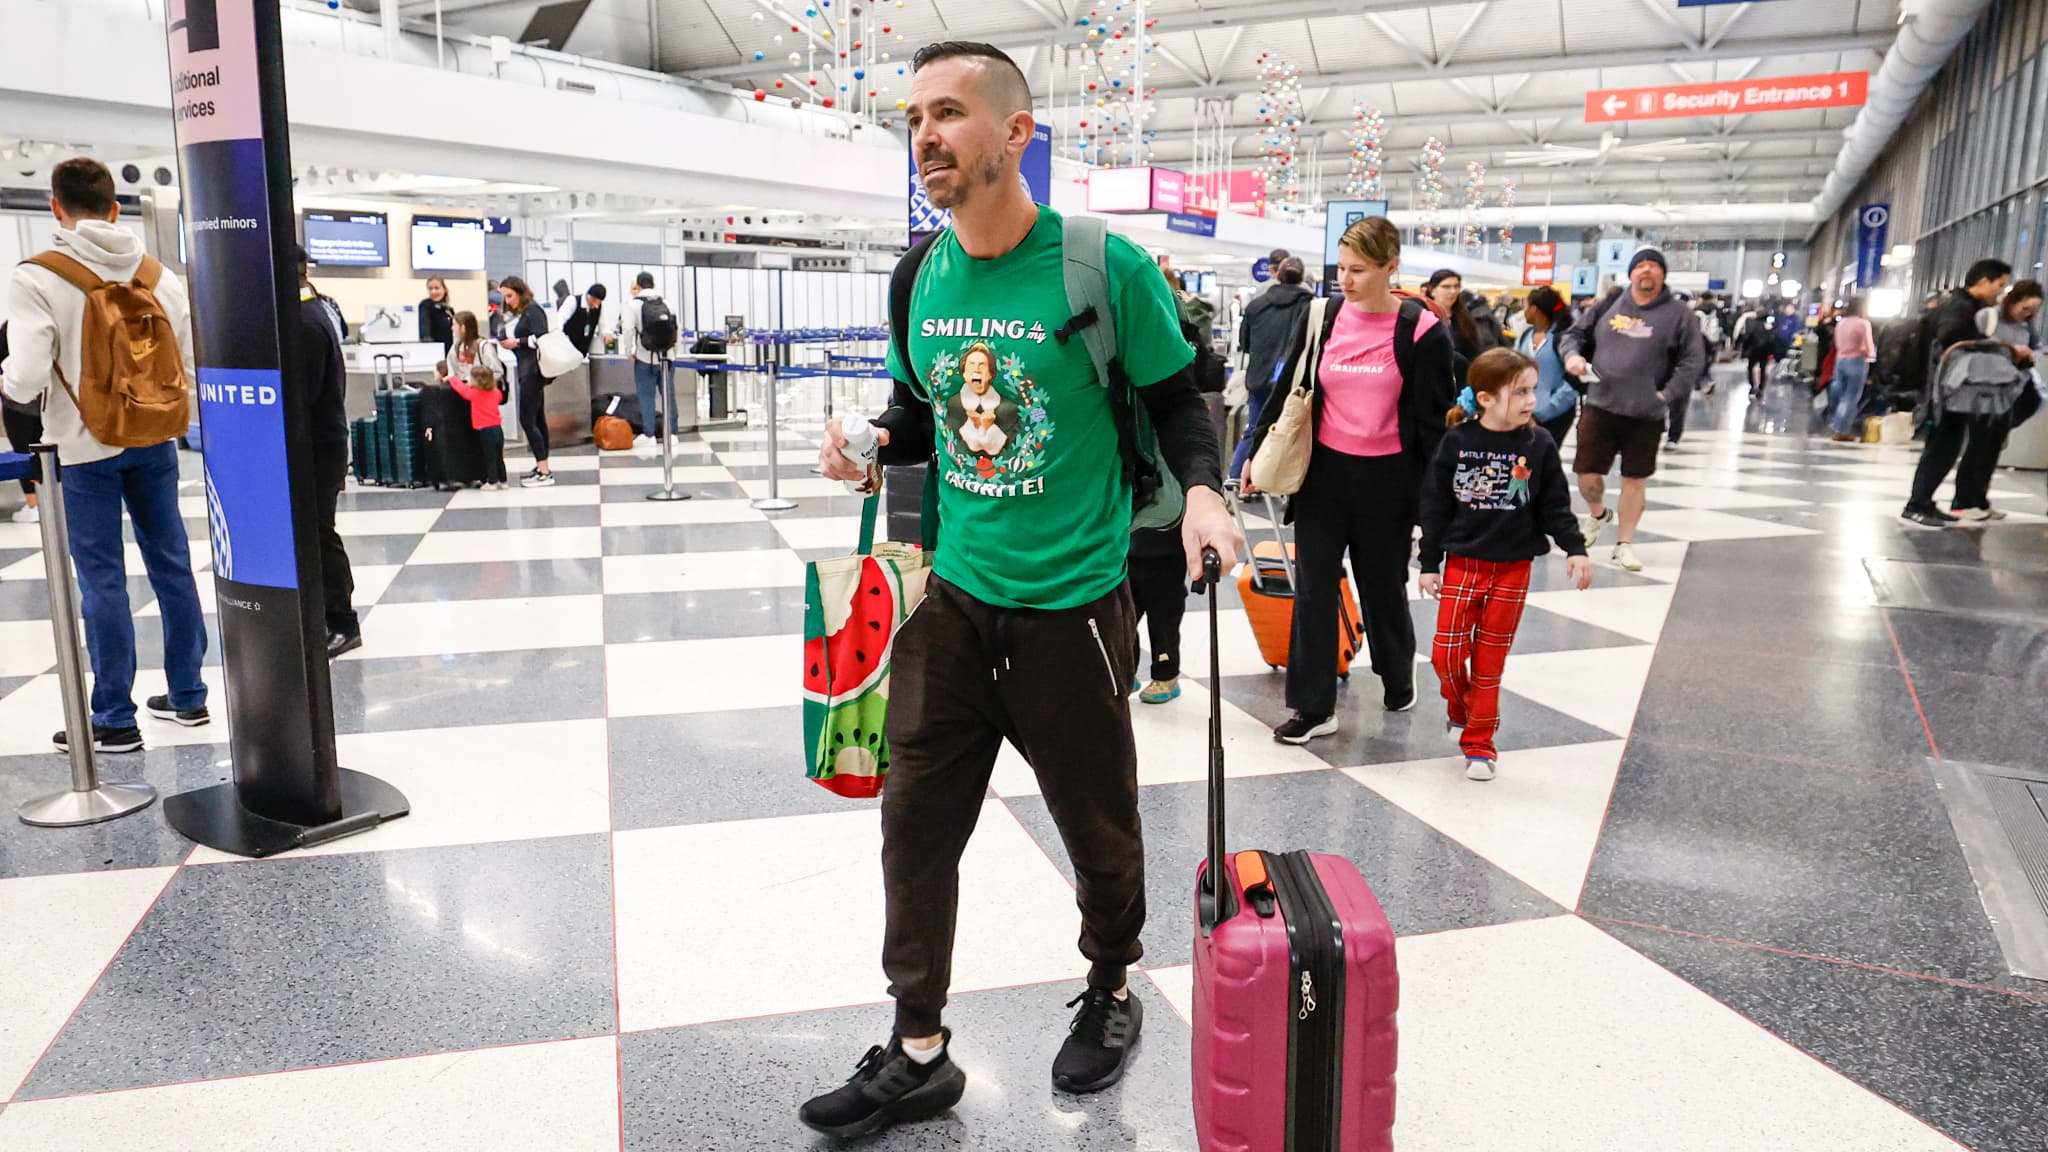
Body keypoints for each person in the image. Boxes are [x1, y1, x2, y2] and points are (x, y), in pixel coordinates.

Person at [802, 41, 1237, 1139]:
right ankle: (917, 1047)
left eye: (947, 113)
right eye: (913, 120)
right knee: (913, 830)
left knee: (1097, 828)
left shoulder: (1100, 266)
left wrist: (1200, 493)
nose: (925, 137)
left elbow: (1178, 401)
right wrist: (868, 437)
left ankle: (1111, 985)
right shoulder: (919, 274)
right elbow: (920, 409)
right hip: (953, 604)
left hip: (1074, 609)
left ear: (1014, 133)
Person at [1, 158, 207, 751]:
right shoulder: (158, 275)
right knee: (171, 562)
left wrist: (10, 383)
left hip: (85, 446)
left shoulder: (37, 276)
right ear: (116, 207)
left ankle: (115, 718)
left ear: (55, 206)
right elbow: (189, 365)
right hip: (155, 440)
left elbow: (27, 376)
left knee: (102, 580)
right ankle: (189, 695)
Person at [1244, 215, 1457, 743]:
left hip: (1389, 479)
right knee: (1314, 587)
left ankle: (1395, 670)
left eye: (1359, 269)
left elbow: (1433, 426)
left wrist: (1435, 505)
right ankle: (1313, 708)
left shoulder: (1422, 330)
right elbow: (1288, 384)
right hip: (1325, 475)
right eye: (1341, 268)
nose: (1347, 279)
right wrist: (1253, 449)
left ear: (1391, 268)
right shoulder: (1322, 315)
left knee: (1383, 586)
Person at [1419, 348, 1592, 782]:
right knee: (1446, 655)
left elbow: (1554, 503)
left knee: (1490, 662)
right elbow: (1435, 506)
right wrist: (1428, 561)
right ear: (1487, 398)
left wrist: (1575, 548)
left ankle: (1480, 744)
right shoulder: (1457, 441)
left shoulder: (1539, 443)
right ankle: (1460, 707)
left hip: (1512, 568)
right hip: (1462, 563)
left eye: (1533, 390)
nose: (1532, 400)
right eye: (1520, 392)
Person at [1560, 247, 1703, 573]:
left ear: (1663, 274)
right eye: (1640, 266)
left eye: (1654, 266)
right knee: (1587, 476)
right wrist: (1572, 356)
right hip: (1600, 405)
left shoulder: (1680, 314)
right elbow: (1574, 334)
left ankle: (1624, 544)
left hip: (1646, 414)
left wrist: (1665, 395)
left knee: (1634, 479)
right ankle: (1597, 514)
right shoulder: (1610, 303)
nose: (1647, 271)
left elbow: (1692, 361)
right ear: (1631, 273)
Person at [1901, 259, 2022, 528]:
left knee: (1948, 446)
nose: (2000, 292)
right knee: (1940, 447)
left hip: (1950, 389)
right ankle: (1916, 505)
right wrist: (1987, 342)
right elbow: (1950, 337)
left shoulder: (1965, 306)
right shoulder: (1959, 307)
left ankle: (1925, 502)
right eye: (1999, 285)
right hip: (1943, 390)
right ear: (1983, 281)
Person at [295, 247, 360, 659]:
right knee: (314, 533)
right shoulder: (314, 310)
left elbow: (303, 394)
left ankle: (342, 621)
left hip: (318, 446)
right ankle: (323, 613)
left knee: (320, 533)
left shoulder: (304, 323)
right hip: (323, 441)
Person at [1949, 278, 2043, 520]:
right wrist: (2008, 347)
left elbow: (2035, 347)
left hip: (2010, 390)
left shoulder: (2026, 326)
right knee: (1978, 444)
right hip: (1984, 389)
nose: (2028, 314)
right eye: (2025, 309)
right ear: (2013, 302)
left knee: (1993, 446)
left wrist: (2027, 354)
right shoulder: (1989, 317)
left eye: (2033, 311)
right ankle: (1964, 500)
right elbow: (1972, 346)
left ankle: (1980, 499)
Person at [1232, 255, 1313, 480]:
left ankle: (1237, 480)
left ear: (1277, 275)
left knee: (1254, 429)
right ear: (1301, 279)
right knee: (1290, 432)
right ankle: (1277, 482)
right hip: (1291, 381)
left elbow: (1244, 343)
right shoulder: (1309, 306)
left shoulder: (1257, 305)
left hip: (1258, 378)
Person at [496, 276, 555, 487]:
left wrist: (517, 342)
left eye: (510, 296)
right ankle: (542, 465)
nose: (508, 301)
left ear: (520, 292)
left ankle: (544, 470)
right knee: (537, 418)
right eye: (504, 297)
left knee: (527, 419)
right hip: (528, 370)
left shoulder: (533, 310)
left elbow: (542, 337)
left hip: (533, 371)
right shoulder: (524, 312)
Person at [1127, 525, 1187, 703]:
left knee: (1163, 624)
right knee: (1123, 621)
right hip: (1127, 554)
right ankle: (1126, 673)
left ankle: (1166, 676)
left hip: (1167, 558)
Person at [1518, 286, 1578, 447]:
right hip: (1523, 413)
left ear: (1534, 309)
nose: (1523, 312)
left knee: (1544, 459)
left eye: (1525, 306)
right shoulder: (1525, 336)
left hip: (1556, 414)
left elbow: (1573, 381)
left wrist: (1546, 410)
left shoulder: (1562, 338)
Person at [1, 322, 44, 524]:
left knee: (24, 453)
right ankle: (43, 502)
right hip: (49, 404)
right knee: (45, 455)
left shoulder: (10, 328)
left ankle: (34, 504)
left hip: (18, 404)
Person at [620, 271, 669, 443]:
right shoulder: (667, 302)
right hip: (667, 357)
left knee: (647, 397)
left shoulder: (632, 305)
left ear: (638, 286)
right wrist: (672, 353)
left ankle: (649, 435)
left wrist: (629, 351)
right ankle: (673, 434)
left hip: (644, 357)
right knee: (668, 395)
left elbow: (627, 330)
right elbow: (675, 328)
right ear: (653, 284)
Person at [449, 364, 509, 491]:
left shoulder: (474, 394)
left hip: (485, 429)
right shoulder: (495, 392)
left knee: (489, 456)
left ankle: (492, 481)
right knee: (499, 456)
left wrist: (452, 378)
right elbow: (498, 398)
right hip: (497, 428)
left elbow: (462, 390)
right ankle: (503, 481)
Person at [1828, 297, 1876, 442]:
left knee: (1841, 394)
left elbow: (1837, 343)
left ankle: (1837, 425)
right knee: (1851, 397)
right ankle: (1841, 430)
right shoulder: (1863, 323)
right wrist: (1870, 355)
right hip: (1856, 362)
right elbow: (1869, 345)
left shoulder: (1841, 323)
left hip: (1840, 360)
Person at [1425, 269, 1490, 371]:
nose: (1453, 291)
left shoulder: (1465, 319)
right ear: (1432, 290)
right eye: (1446, 287)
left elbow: (1474, 351)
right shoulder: (1423, 317)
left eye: (1456, 286)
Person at [1737, 301, 1778, 396]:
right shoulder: (1769, 326)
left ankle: (1752, 386)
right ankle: (1761, 387)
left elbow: (1747, 337)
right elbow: (1773, 338)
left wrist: (1744, 349)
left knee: (1750, 368)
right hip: (1765, 351)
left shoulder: (1751, 324)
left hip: (1753, 350)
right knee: (1763, 369)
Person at [562, 283, 605, 356]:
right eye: (595, 302)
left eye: (598, 303)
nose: (596, 306)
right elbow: (560, 321)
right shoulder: (573, 301)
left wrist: (606, 333)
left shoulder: (599, 307)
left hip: (583, 349)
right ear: (590, 297)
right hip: (567, 347)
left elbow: (603, 324)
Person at [418, 274, 455, 353]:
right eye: (430, 289)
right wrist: (427, 341)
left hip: (449, 349)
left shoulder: (449, 309)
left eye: (437, 288)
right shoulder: (425, 305)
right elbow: (425, 324)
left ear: (444, 290)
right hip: (435, 350)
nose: (433, 291)